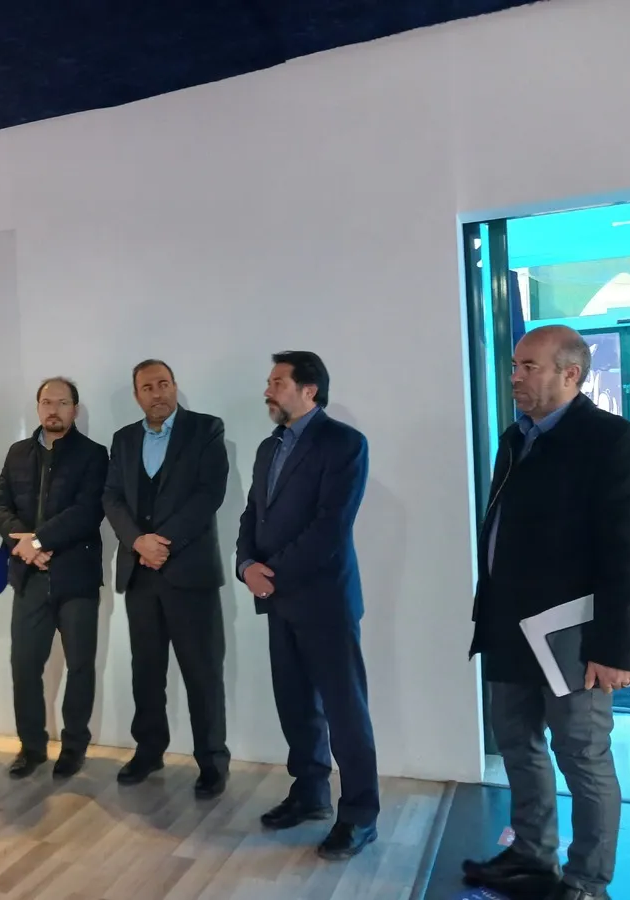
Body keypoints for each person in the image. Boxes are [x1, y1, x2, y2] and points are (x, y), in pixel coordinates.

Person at [463, 325, 630, 900]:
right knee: (517, 743)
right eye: (514, 366)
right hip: (508, 627)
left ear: (570, 374)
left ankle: (587, 881)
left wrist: (616, 648)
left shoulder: (614, 440)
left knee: (582, 754)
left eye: (528, 366)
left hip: (573, 635)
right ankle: (531, 854)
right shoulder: (515, 438)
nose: (514, 377)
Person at [236, 351, 379, 861]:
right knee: (295, 705)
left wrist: (270, 574)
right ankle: (311, 793)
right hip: (278, 601)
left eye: (277, 382)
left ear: (309, 390)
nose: (267, 391)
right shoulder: (269, 446)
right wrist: (245, 565)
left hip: (325, 601)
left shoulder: (344, 443)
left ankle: (359, 815)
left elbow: (330, 527)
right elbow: (252, 513)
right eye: (269, 382)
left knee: (345, 712)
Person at [102, 360, 231, 799]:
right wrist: (138, 542)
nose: (156, 393)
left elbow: (209, 493)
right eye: (147, 387)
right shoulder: (124, 439)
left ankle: (212, 761)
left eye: (163, 384)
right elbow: (112, 497)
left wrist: (164, 543)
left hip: (190, 574)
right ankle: (149, 750)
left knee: (202, 672)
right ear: (136, 395)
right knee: (146, 670)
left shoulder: (206, 429)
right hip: (140, 574)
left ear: (175, 386)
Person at [0, 377, 108, 779]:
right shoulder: (17, 453)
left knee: (80, 667)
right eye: (46, 402)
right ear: (37, 407)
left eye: (62, 402)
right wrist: (24, 544)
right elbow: (1, 505)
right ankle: (32, 747)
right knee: (24, 666)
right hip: (29, 577)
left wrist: (39, 540)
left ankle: (74, 748)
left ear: (75, 409)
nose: (53, 410)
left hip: (76, 577)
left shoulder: (94, 454)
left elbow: (88, 511)